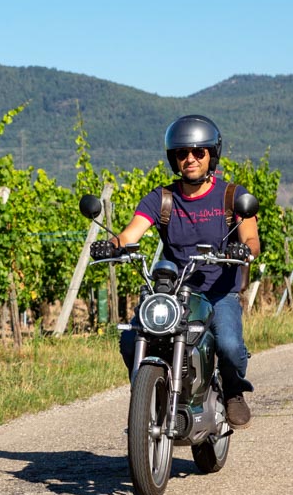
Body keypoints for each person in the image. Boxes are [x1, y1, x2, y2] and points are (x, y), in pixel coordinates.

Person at [103, 114, 261, 428]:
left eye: (198, 152)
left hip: (218, 292)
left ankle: (233, 390)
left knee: (229, 346)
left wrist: (243, 250)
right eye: (182, 153)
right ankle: (149, 393)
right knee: (131, 339)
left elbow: (252, 239)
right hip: (173, 291)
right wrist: (112, 244)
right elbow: (131, 233)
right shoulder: (162, 199)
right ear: (174, 158)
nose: (190, 159)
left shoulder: (232, 196)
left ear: (211, 156)